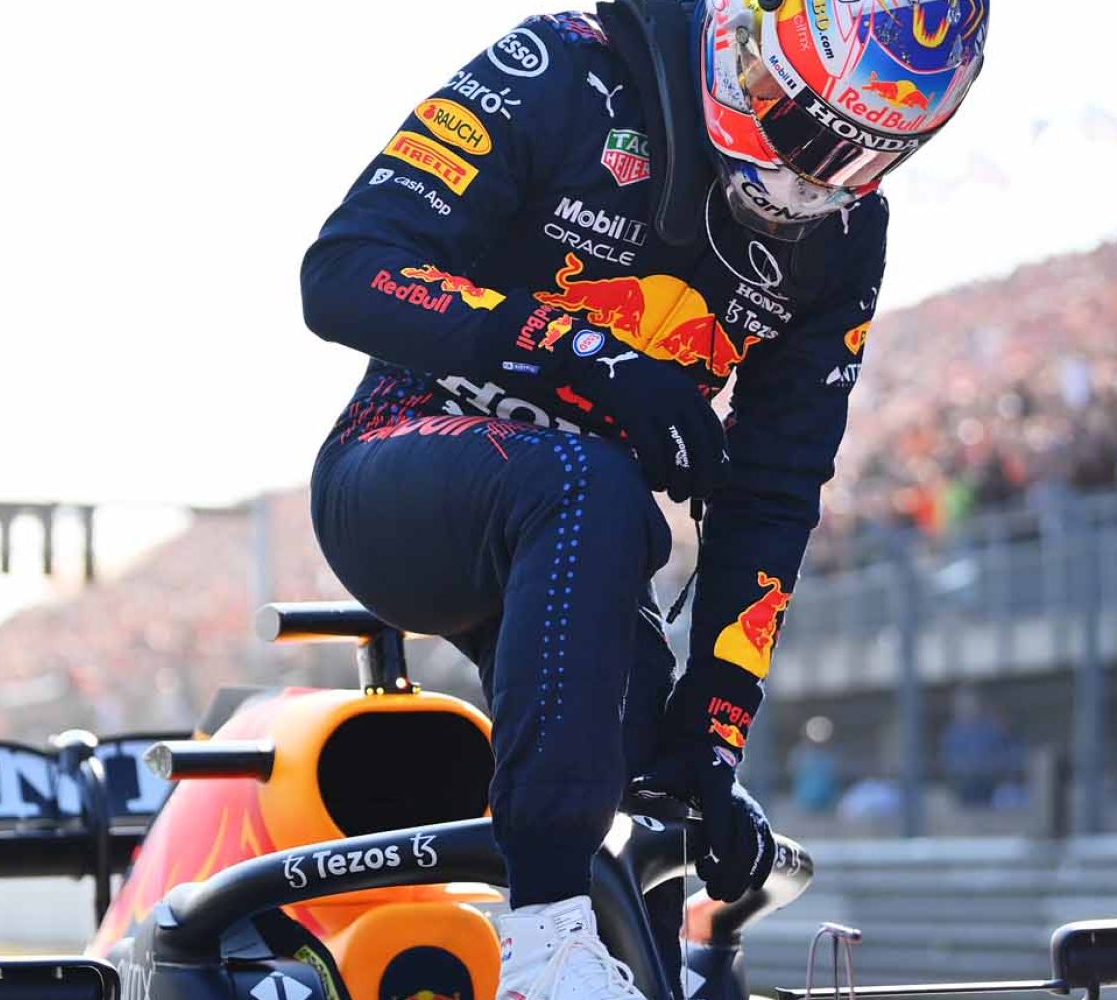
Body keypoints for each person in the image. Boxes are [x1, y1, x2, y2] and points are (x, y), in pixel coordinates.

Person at [300, 4, 989, 999]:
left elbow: (775, 489)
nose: (813, 181)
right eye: (804, 135)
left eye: (862, 157)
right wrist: (595, 361)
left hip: (587, 544)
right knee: (592, 479)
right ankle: (538, 943)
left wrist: (713, 729)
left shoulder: (844, 239)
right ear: (744, 44)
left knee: (645, 790)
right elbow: (345, 274)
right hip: (398, 471)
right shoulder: (562, 68)